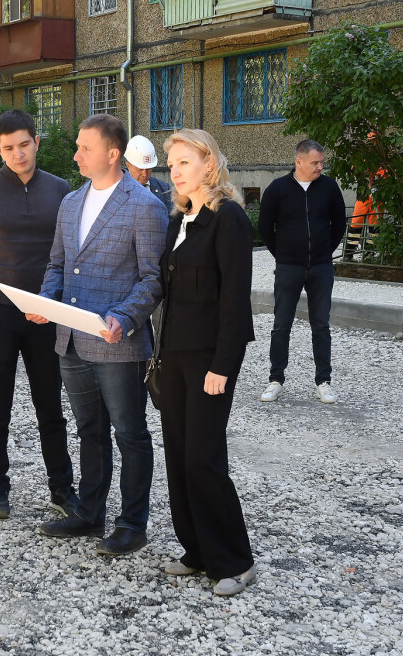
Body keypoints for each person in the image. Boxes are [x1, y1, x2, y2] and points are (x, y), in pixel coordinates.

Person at [30, 114, 168, 556]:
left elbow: (153, 279)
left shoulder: (145, 205)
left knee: (130, 434)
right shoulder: (71, 202)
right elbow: (57, 264)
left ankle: (132, 524)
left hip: (117, 342)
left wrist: (123, 317)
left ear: (113, 154)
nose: (75, 155)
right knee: (89, 430)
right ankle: (89, 514)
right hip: (70, 340)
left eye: (84, 148)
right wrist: (44, 301)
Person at [0, 110, 78, 520]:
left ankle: (61, 488)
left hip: (46, 310)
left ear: (36, 142)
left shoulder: (60, 189)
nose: (18, 154)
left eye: (24, 144)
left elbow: (68, 250)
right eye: (8, 147)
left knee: (51, 405)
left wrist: (58, 299)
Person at [156, 129, 257, 596]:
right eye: (172, 163)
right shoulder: (181, 219)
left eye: (184, 162)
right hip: (174, 356)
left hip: (208, 361)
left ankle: (235, 561)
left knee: (204, 459)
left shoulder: (227, 218)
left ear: (209, 165)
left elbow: (235, 301)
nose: (174, 171)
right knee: (178, 457)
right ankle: (196, 550)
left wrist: (223, 365)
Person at [257, 139, 347, 405]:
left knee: (321, 325)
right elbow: (264, 227)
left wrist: (323, 252)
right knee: (281, 325)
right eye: (315, 163)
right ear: (299, 162)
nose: (320, 167)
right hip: (288, 268)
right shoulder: (278, 189)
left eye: (321, 162)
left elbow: (339, 224)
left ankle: (323, 382)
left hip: (321, 268)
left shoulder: (329, 187)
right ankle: (275, 379)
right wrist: (283, 255)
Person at [124, 134, 174, 213]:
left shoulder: (164, 189)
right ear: (128, 165)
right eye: (140, 169)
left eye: (149, 169)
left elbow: (172, 217)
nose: (145, 174)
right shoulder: (117, 190)